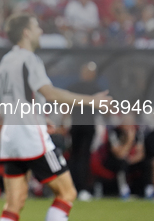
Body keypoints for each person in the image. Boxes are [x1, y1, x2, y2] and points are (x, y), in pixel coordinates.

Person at [0, 13, 111, 221]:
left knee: (14, 203)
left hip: (11, 135)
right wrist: (91, 100)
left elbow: (16, 98)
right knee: (67, 193)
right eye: (37, 27)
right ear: (26, 32)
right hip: (30, 134)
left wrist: (39, 115)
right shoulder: (30, 59)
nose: (40, 31)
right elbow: (50, 93)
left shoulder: (5, 61)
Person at [67, 62, 102, 201]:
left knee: (75, 156)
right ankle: (81, 189)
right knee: (82, 157)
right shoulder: (96, 88)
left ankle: (73, 188)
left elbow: (65, 105)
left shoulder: (74, 87)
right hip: (86, 126)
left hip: (77, 126)